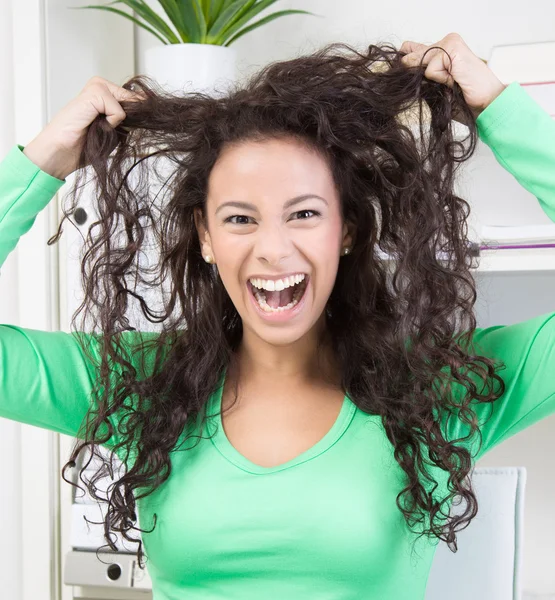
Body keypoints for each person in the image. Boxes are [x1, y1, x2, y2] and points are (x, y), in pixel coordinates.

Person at [1, 32, 554, 599]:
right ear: (205, 237)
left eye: (305, 214)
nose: (273, 249)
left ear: (348, 231)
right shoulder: (141, 385)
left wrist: (499, 111)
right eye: (240, 219)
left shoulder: (437, 389)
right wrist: (42, 160)